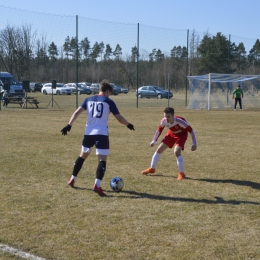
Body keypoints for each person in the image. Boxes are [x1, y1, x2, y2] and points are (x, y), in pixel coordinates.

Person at [61, 80, 135, 196]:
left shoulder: (88, 99)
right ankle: (97, 185)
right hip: (101, 134)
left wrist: (69, 125)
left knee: (82, 156)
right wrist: (128, 124)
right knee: (102, 160)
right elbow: (119, 117)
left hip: (88, 133)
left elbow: (77, 112)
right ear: (108, 91)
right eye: (110, 93)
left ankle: (72, 179)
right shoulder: (108, 101)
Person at [141, 107, 197, 180]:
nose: (166, 119)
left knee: (176, 152)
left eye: (168, 117)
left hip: (181, 135)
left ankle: (181, 173)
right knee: (159, 150)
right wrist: (154, 141)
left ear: (173, 115)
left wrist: (194, 144)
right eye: (165, 116)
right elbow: (159, 130)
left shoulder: (181, 122)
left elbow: (191, 131)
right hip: (171, 134)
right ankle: (152, 169)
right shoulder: (164, 121)